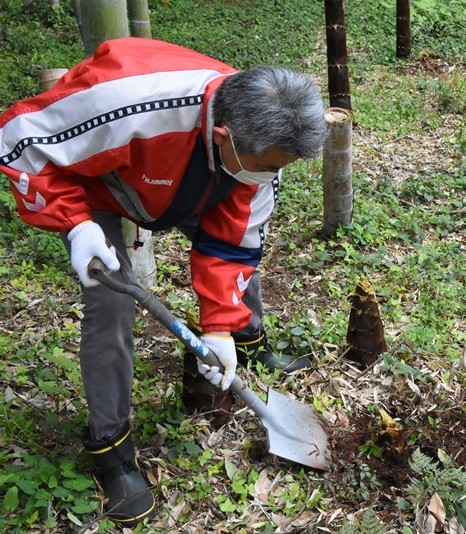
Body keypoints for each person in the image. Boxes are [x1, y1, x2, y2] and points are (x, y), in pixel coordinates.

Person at [0, 37, 328, 526]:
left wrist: (219, 327)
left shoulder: (258, 146)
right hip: (97, 185)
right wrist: (75, 222)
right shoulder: (126, 104)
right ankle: (111, 449)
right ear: (224, 136)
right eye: (267, 168)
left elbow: (233, 245)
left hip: (192, 180)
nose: (272, 177)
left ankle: (250, 342)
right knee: (111, 305)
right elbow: (17, 136)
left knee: (245, 257)